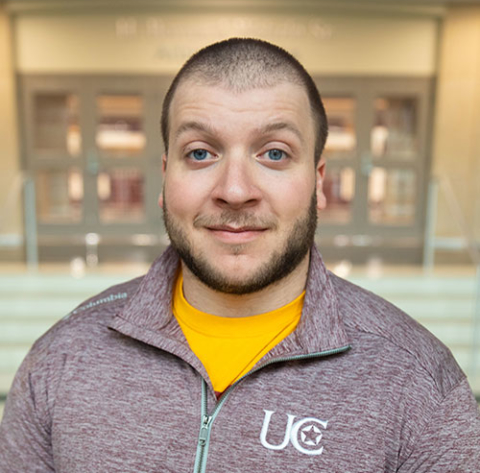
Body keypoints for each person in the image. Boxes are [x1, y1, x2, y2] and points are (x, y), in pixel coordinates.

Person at [0, 38, 479, 472]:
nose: (234, 191)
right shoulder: (61, 358)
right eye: (200, 153)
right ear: (165, 177)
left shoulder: (420, 386)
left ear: (318, 181)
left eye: (274, 153)